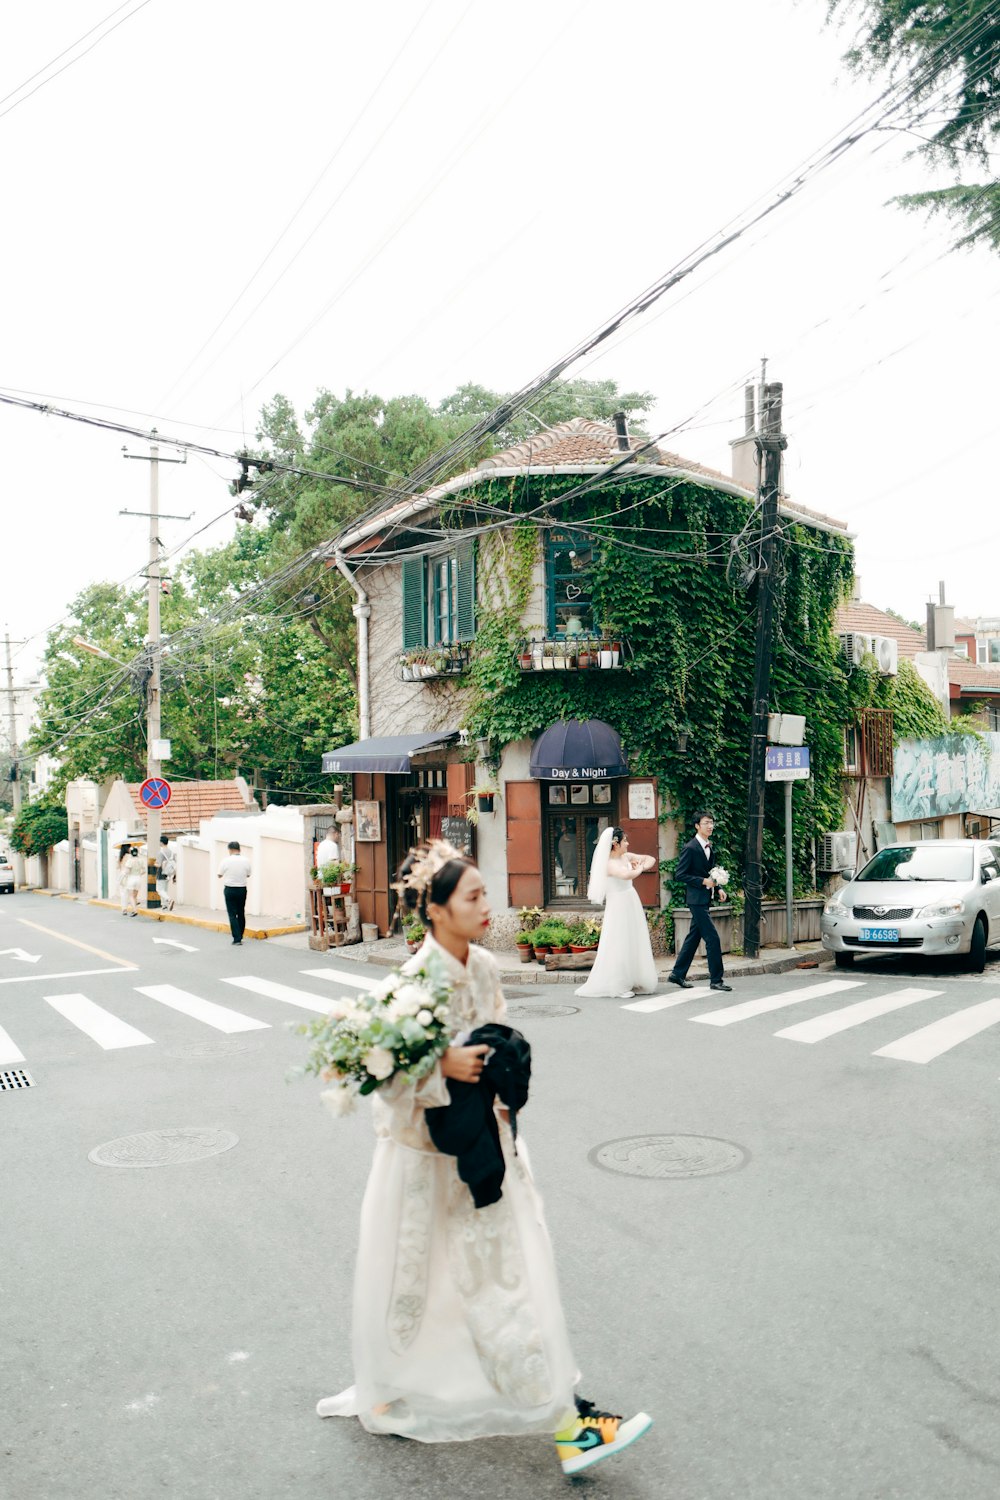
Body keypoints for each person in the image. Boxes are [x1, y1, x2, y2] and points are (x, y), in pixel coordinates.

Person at [317, 840, 652, 1478]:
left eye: (483, 893)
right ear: (437, 910)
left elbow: (493, 1032)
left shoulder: (486, 967)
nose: (485, 906)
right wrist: (437, 1064)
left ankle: (568, 1416)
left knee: (511, 1278)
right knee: (419, 1286)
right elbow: (377, 1076)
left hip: (488, 1153)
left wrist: (502, 1094)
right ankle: (394, 1384)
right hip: (424, 1165)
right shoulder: (412, 983)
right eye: (472, 896)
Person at [575, 827, 658, 999]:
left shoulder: (626, 856)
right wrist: (639, 868)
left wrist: (641, 864)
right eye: (625, 840)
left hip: (631, 901)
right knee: (619, 941)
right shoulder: (609, 864)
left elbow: (650, 859)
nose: (627, 843)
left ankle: (634, 979)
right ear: (615, 844)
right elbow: (627, 875)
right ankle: (618, 985)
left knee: (633, 939)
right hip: (618, 905)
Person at [668, 810, 732, 993]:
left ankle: (677, 974)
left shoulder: (709, 847)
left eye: (712, 822)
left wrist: (718, 888)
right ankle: (716, 980)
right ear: (697, 826)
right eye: (706, 823)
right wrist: (703, 882)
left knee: (693, 937)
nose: (710, 826)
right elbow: (680, 874)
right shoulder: (691, 847)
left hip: (705, 898)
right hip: (696, 900)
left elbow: (710, 872)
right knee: (712, 938)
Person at [217, 839, 251, 945]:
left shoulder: (225, 861)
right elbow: (249, 874)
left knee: (232, 914)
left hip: (230, 889)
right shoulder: (246, 860)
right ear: (239, 849)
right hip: (242, 889)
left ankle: (237, 939)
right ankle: (240, 934)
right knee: (241, 912)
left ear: (230, 850)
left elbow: (219, 874)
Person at [156, 834, 176, 911]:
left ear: (161, 843)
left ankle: (169, 900)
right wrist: (174, 875)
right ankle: (164, 905)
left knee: (159, 889)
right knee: (165, 889)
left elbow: (159, 865)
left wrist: (154, 864)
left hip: (162, 872)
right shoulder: (171, 852)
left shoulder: (161, 852)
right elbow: (174, 863)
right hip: (169, 873)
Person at [123, 844, 145, 916]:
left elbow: (127, 871)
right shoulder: (141, 860)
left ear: (131, 853)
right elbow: (144, 871)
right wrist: (139, 874)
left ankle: (135, 910)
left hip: (131, 878)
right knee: (135, 896)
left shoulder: (130, 861)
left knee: (131, 896)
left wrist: (125, 876)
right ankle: (134, 909)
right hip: (138, 878)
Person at [117, 845, 133, 915]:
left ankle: (124, 909)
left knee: (123, 893)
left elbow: (117, 867)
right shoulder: (129, 856)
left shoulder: (120, 857)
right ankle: (133, 907)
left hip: (121, 876)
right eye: (129, 848)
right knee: (130, 892)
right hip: (128, 876)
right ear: (127, 848)